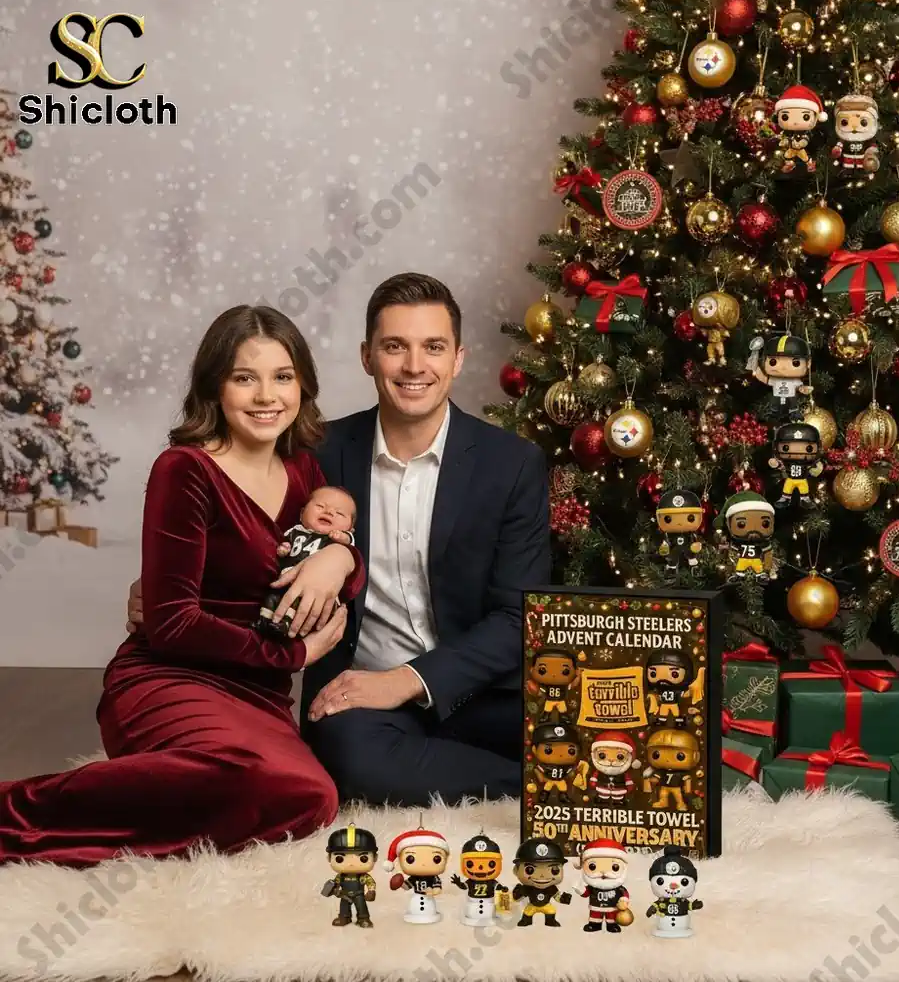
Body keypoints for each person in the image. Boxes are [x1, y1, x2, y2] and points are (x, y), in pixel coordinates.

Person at [128, 272, 551, 806]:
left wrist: (408, 679)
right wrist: (154, 588)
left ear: (458, 358)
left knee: (587, 737)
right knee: (349, 766)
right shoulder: (313, 453)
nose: (414, 366)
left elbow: (517, 616)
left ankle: (529, 776)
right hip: (357, 695)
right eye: (394, 346)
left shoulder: (511, 463)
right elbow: (241, 535)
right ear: (366, 357)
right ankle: (540, 786)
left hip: (480, 689)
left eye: (433, 347)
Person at [0, 305, 365, 867]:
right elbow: (171, 625)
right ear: (215, 386)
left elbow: (341, 564)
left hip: (259, 695)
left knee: (311, 798)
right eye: (245, 378)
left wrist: (339, 559)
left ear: (303, 387)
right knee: (264, 783)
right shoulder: (184, 469)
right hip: (168, 677)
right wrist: (291, 654)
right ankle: (15, 812)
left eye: (282, 377)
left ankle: (147, 801)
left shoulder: (303, 472)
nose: (266, 396)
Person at [254, 484, 357, 638]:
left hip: (319, 591)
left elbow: (349, 544)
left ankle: (285, 624)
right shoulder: (296, 531)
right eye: (320, 506)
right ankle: (264, 620)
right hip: (286, 579)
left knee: (300, 604)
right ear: (302, 514)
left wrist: (342, 537)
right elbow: (285, 542)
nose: (329, 512)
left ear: (350, 528)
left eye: (340, 513)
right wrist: (284, 548)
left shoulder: (335, 540)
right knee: (272, 598)